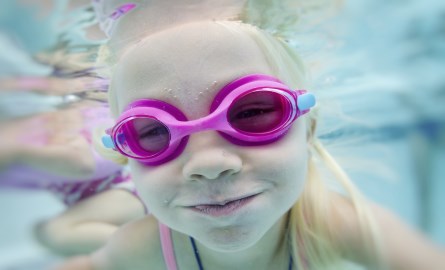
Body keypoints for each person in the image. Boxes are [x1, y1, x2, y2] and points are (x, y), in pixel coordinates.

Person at [54, 1, 445, 269]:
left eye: (254, 112)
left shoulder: (332, 223)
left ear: (307, 129)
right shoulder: (142, 247)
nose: (208, 164)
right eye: (154, 133)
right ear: (127, 157)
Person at [0, 99, 146, 256]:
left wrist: (20, 151)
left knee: (56, 231)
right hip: (113, 205)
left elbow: (84, 165)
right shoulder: (30, 162)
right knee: (42, 233)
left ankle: (147, 253)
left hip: (129, 192)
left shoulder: (62, 132)